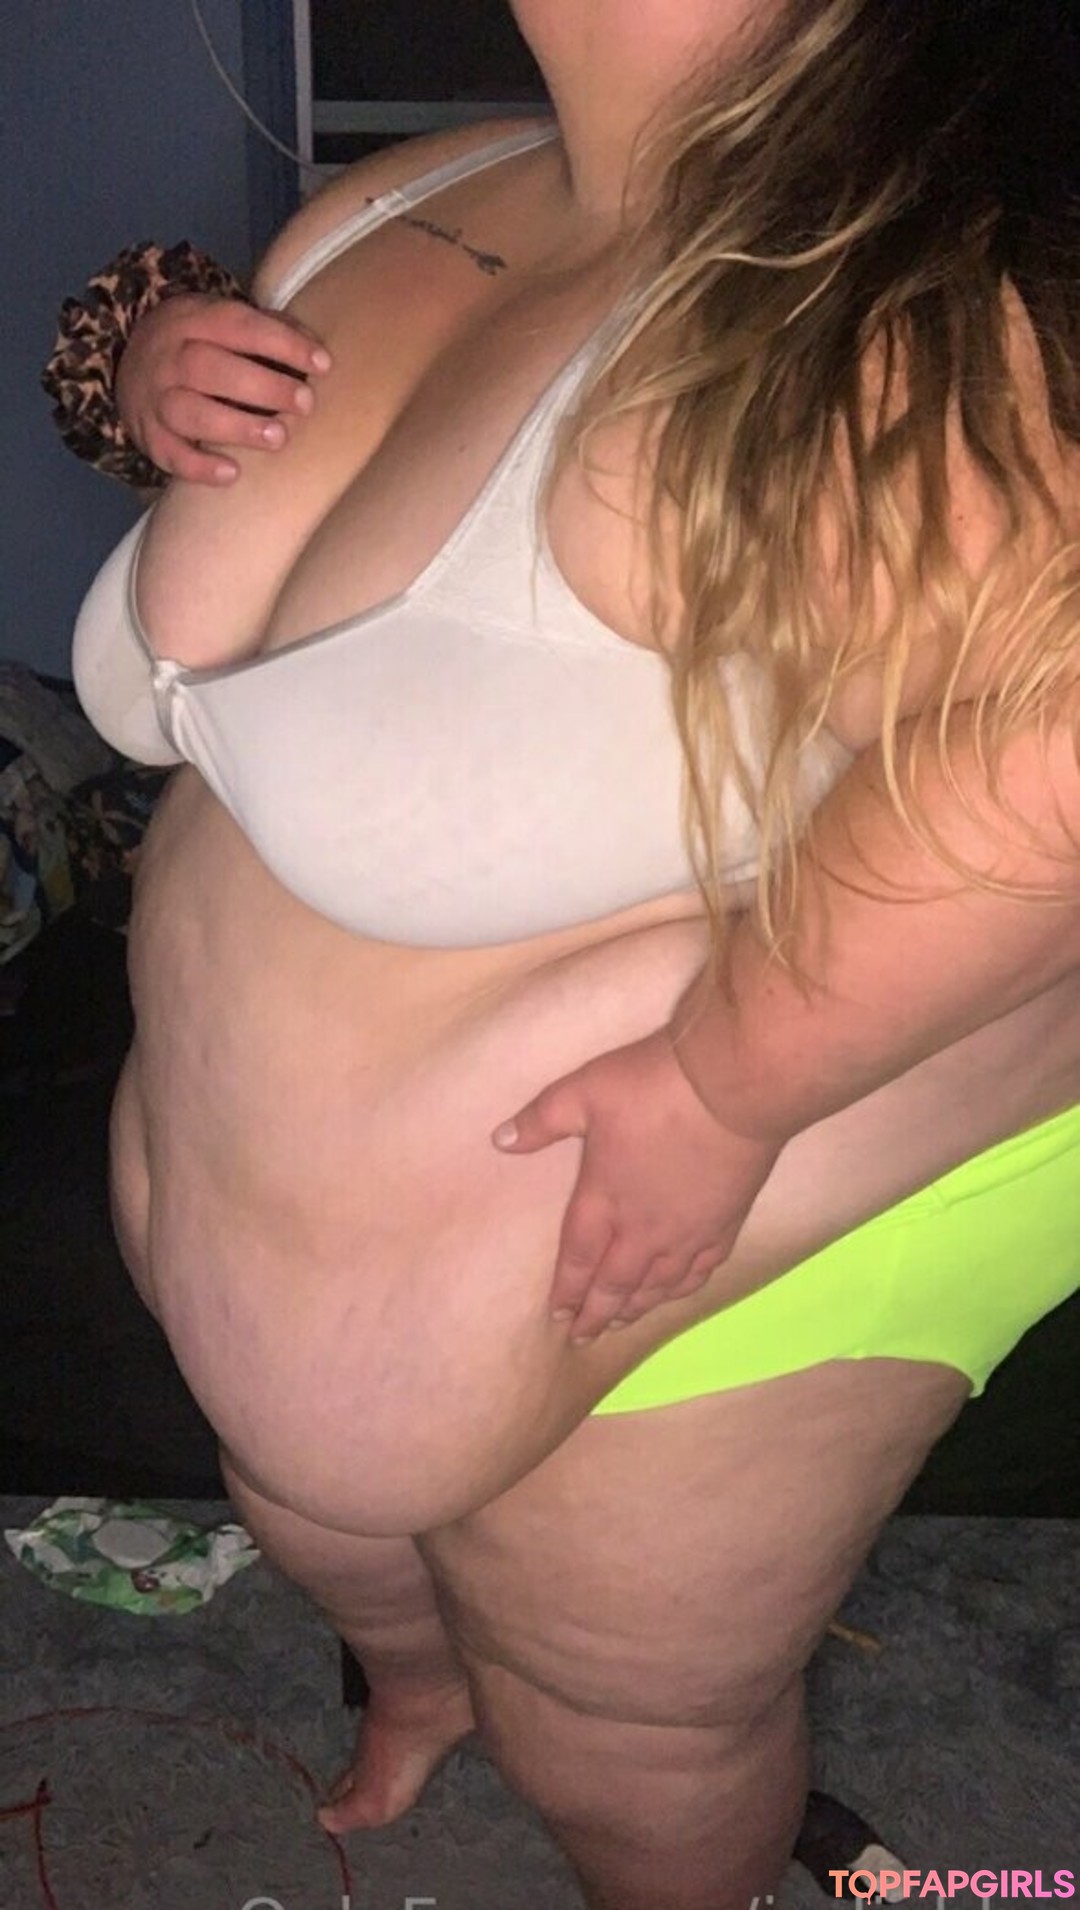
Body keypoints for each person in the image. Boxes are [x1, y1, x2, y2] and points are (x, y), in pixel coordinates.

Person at [56, 2, 1079, 1905]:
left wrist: (727, 1085)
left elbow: (1055, 751)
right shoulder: (417, 195)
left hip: (705, 1197)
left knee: (617, 1715)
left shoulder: (901, 315)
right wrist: (137, 383)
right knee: (334, 1519)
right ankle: (419, 1680)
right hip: (269, 1208)